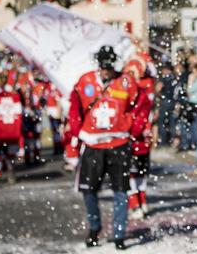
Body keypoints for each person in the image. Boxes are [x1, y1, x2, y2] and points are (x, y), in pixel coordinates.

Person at [69, 45, 141, 250]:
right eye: (103, 65)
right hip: (93, 144)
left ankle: (119, 233)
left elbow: (140, 106)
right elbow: (74, 107)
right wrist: (76, 133)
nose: (106, 69)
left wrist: (132, 130)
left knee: (121, 190)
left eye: (109, 65)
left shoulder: (126, 81)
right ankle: (94, 226)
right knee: (89, 190)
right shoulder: (85, 81)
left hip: (119, 144)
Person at [123, 54, 156, 220]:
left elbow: (146, 113)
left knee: (134, 171)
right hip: (139, 133)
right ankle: (139, 202)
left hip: (135, 134)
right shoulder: (144, 88)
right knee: (137, 171)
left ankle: (137, 203)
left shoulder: (143, 89)